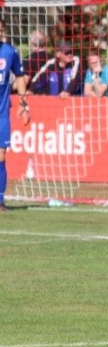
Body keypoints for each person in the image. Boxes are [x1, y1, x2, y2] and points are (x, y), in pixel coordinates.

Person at [0, 18, 29, 213]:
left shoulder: (9, 52)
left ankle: (0, 201)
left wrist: (24, 103)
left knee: (1, 156)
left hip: (2, 114)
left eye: (1, 29)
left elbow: (19, 76)